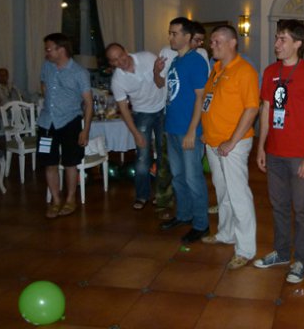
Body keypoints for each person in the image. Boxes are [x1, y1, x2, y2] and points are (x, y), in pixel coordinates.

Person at [254, 19, 304, 284]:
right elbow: (266, 111)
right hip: (274, 152)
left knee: (301, 209)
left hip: (299, 155)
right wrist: (261, 146)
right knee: (279, 206)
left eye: (283, 39)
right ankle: (282, 252)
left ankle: (301, 259)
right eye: (276, 38)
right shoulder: (270, 71)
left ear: (298, 43)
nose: (277, 44)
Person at [200, 25, 259, 269]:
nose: (212, 45)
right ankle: (226, 233)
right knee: (222, 191)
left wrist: (232, 141)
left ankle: (245, 249)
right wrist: (207, 133)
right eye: (212, 41)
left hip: (233, 143)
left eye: (217, 41)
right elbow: (210, 102)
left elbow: (251, 108)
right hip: (214, 141)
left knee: (238, 194)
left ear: (233, 43)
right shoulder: (216, 69)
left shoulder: (244, 71)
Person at [154, 17, 210, 244]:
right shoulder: (176, 61)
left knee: (193, 178)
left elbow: (201, 97)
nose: (170, 37)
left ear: (187, 37)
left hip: (188, 131)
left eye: (174, 33)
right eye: (170, 33)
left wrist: (192, 131)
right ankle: (184, 214)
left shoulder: (196, 61)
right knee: (178, 177)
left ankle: (201, 224)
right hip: (172, 127)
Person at [37, 33, 93, 219]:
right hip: (46, 123)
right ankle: (55, 200)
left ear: (61, 49)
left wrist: (85, 130)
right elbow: (43, 84)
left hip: (70, 122)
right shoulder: (47, 66)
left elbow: (88, 103)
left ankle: (70, 199)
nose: (46, 53)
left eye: (48, 49)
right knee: (49, 163)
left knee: (70, 163)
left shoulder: (79, 72)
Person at [106, 43, 165, 210]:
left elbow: (163, 80)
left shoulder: (147, 57)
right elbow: (124, 110)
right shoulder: (117, 80)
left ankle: (162, 194)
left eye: (120, 55)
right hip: (142, 114)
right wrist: (135, 133)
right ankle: (142, 195)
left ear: (126, 51)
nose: (120, 61)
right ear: (111, 63)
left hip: (163, 109)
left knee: (164, 154)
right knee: (142, 157)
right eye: (114, 60)